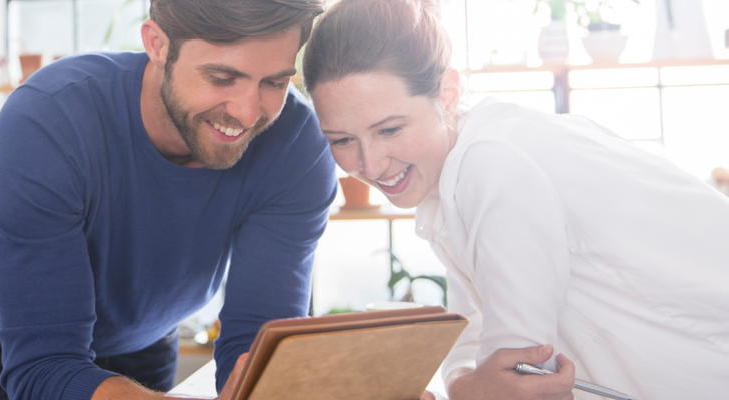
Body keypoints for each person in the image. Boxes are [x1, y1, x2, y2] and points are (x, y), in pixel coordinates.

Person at [302, 0, 729, 398]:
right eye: (342, 140)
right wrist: (465, 383)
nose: (371, 165)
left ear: (447, 93)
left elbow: (520, 377)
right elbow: (469, 330)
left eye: (390, 130)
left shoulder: (489, 163)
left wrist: (469, 386)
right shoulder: (458, 166)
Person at [0, 1, 337, 399]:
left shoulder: (296, 148)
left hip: (145, 333)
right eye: (222, 77)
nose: (248, 112)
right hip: (12, 341)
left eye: (274, 83)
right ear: (157, 44)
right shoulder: (48, 118)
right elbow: (46, 366)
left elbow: (259, 344)